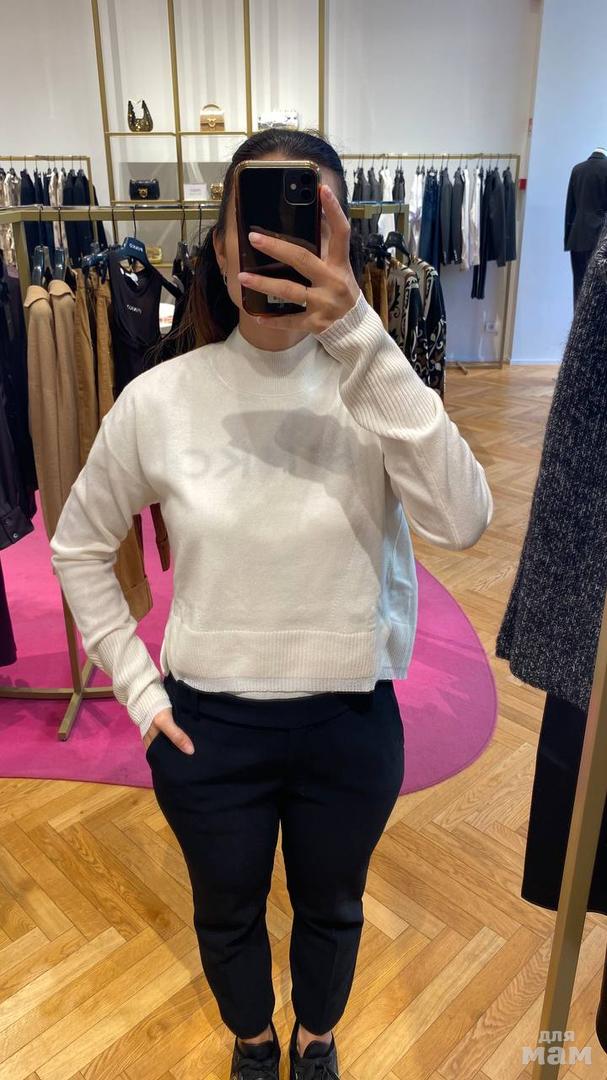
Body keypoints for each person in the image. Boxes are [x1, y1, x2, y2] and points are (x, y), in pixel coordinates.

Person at [49, 128, 493, 1080]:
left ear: (345, 244)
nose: (278, 245)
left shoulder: (377, 388)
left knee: (334, 910)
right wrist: (137, 688)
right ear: (220, 248)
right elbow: (78, 544)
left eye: (311, 224)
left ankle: (316, 1038)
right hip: (208, 729)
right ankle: (253, 1042)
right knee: (224, 914)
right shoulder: (160, 400)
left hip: (349, 722)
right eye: (253, 224)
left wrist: (360, 332)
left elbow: (463, 520)